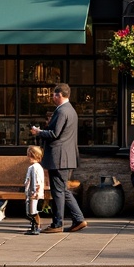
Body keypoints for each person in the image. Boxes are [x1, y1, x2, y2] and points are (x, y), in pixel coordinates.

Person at [31, 83, 87, 233]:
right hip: (64, 156)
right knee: (62, 189)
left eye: (53, 95)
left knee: (59, 191)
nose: (52, 97)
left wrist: (38, 132)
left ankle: (58, 224)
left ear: (59, 95)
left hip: (59, 157)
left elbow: (55, 134)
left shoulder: (62, 111)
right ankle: (78, 219)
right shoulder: (70, 110)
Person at [24, 145, 46, 235]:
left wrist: (36, 192)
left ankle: (36, 226)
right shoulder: (34, 167)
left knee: (33, 211)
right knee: (30, 211)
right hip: (31, 193)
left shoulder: (35, 168)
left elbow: (37, 181)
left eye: (30, 155)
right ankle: (34, 225)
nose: (29, 157)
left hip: (34, 193)